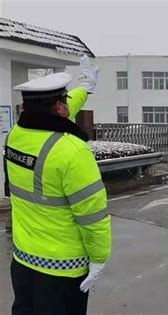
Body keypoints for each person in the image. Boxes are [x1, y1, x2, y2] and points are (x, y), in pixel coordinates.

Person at [7, 55, 111, 315]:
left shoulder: (15, 135)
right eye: (64, 101)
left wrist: (85, 88)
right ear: (58, 108)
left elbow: (59, 111)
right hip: (63, 269)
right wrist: (98, 258)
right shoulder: (72, 151)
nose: (67, 105)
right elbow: (92, 216)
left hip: (23, 261)